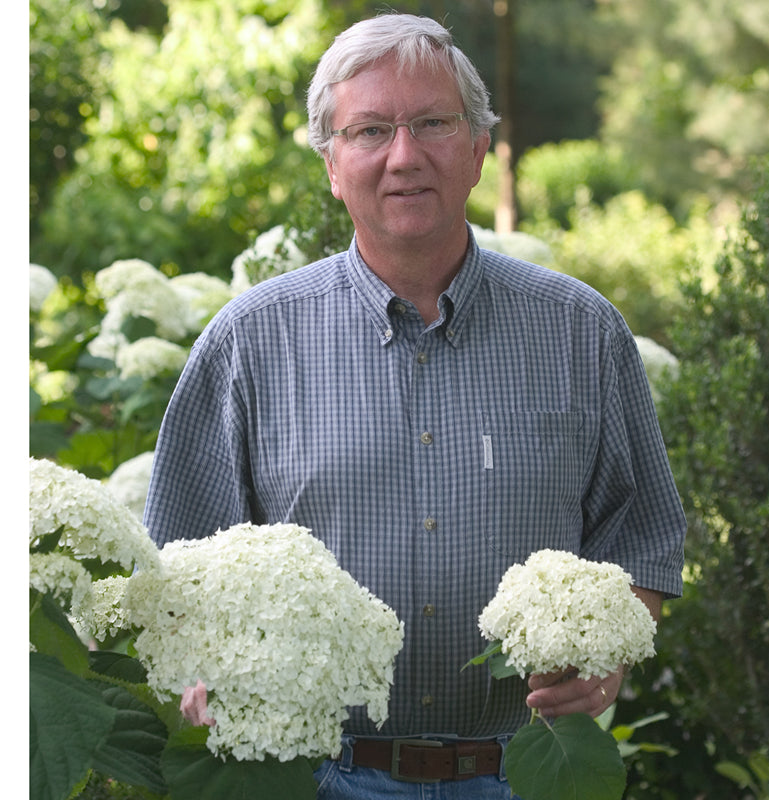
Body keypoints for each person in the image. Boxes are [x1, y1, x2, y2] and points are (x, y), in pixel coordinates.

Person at [144, 13, 686, 799]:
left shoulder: (582, 331)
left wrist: (608, 659)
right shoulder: (249, 343)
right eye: (369, 131)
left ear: (477, 148)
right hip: (314, 777)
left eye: (432, 123)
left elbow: (644, 538)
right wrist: (196, 673)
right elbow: (176, 571)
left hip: (525, 773)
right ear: (332, 165)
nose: (404, 156)